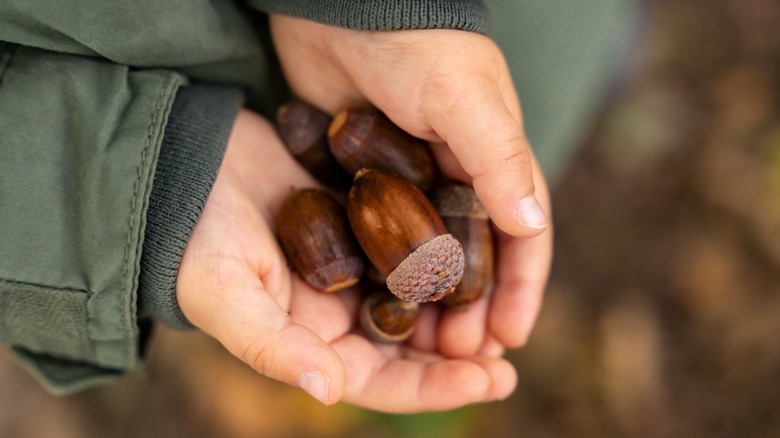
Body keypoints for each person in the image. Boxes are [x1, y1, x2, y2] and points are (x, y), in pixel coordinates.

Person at [0, 1, 636, 413]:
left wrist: (367, 10)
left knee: (572, 47)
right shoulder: (368, 192)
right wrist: (142, 180)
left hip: (458, 49)